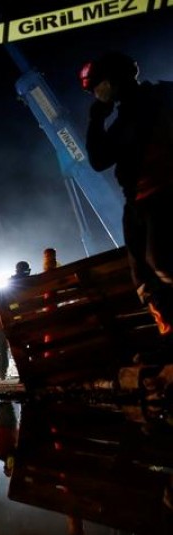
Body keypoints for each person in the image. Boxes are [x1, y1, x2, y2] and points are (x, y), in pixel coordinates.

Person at [80, 51, 173, 336]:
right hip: (137, 203)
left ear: (115, 79)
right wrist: (97, 120)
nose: (96, 93)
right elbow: (98, 160)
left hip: (166, 195)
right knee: (143, 278)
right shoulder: (121, 119)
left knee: (163, 263)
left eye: (99, 85)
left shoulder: (163, 97)